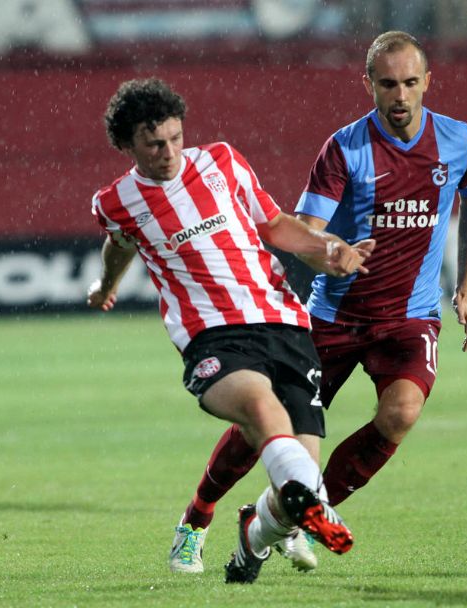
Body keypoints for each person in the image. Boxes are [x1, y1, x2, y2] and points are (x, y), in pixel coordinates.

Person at [176, 29, 467, 570]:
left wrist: (463, 288)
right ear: (368, 84)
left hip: (410, 316)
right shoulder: (345, 148)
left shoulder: (461, 141)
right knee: (263, 420)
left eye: (410, 82)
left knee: (401, 414)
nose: (400, 95)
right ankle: (196, 517)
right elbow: (307, 230)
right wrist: (334, 253)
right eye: (387, 84)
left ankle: (290, 516)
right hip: (332, 317)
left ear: (427, 82)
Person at [87, 78, 373, 583]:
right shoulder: (118, 202)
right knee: (263, 410)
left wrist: (327, 247)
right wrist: (106, 285)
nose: (169, 152)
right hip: (212, 333)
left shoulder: (222, 161)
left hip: (282, 319)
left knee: (296, 477)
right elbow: (119, 245)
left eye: (175, 138)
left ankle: (258, 533)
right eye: (154, 144)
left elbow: (275, 224)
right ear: (127, 145)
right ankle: (225, 518)